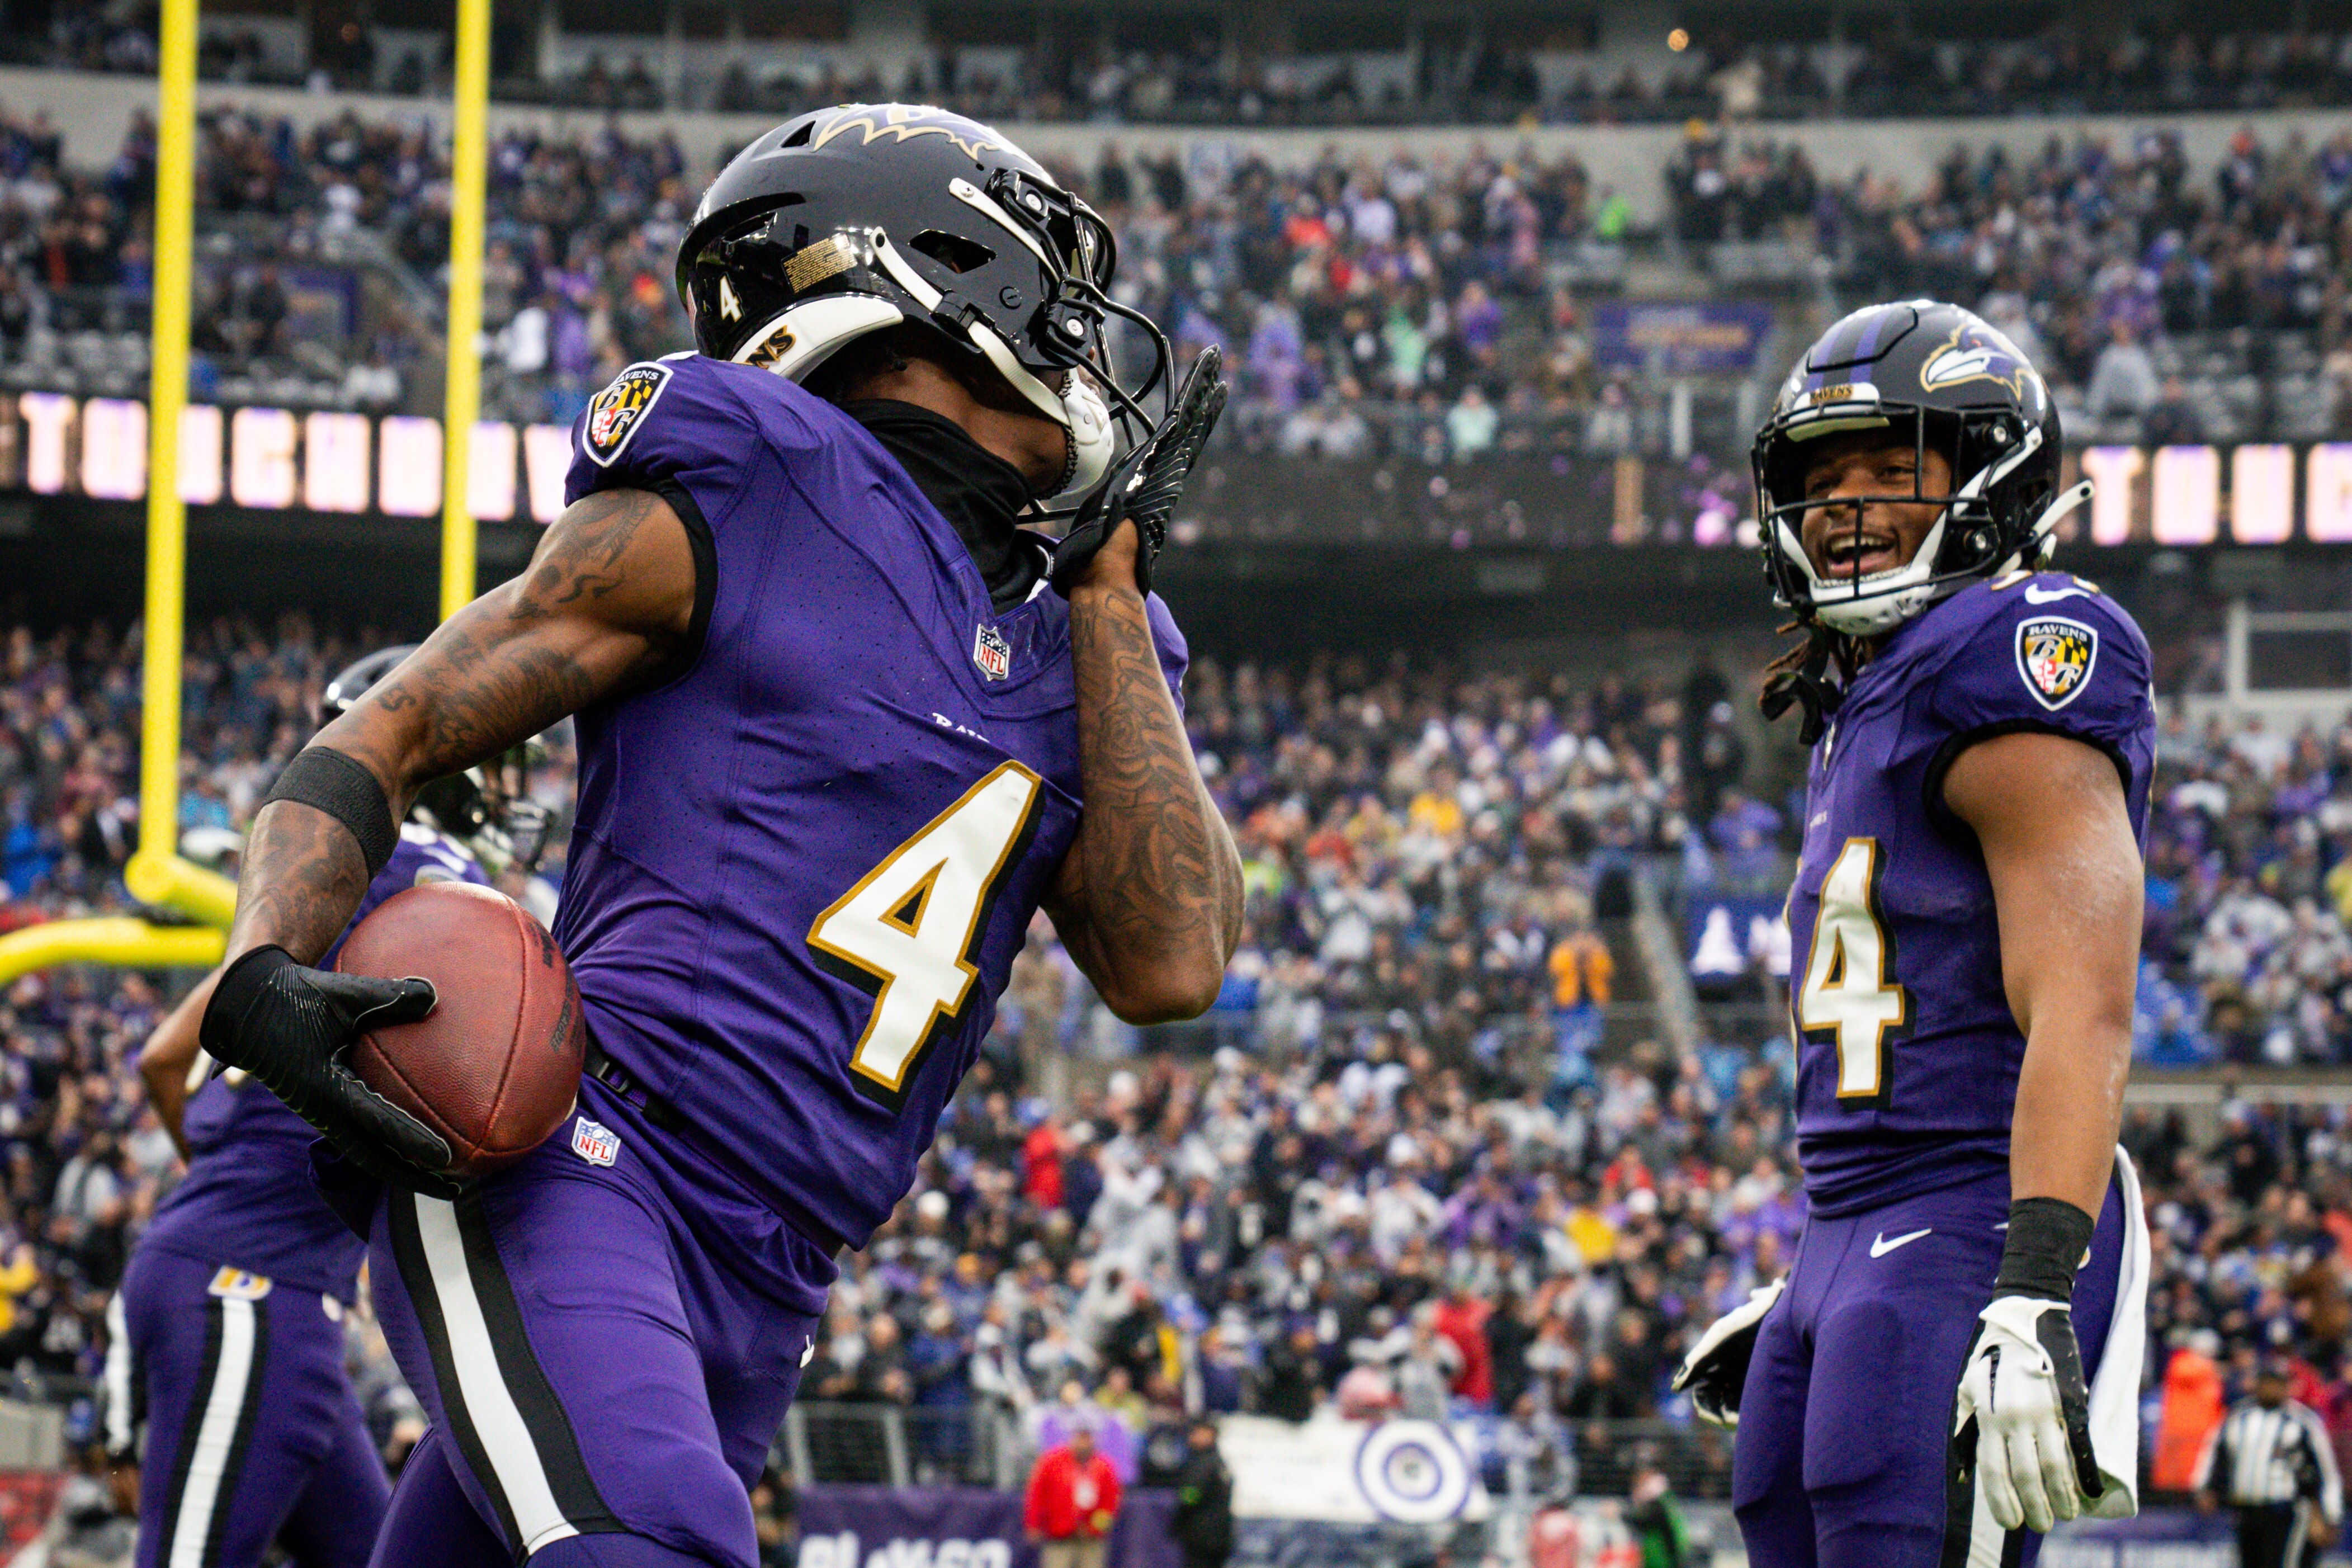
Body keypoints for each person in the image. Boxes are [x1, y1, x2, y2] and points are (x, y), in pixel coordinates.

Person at [197, 103, 1241, 1568]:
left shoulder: (1088, 643)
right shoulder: (754, 477)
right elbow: (394, 728)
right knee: (658, 1543)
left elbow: (1169, 964)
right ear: (934, 275)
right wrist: (263, 965)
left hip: (774, 1274)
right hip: (577, 1157)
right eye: (1044, 286)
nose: (1079, 340)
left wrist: (1112, 591)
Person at [1673, 301, 2155, 1566]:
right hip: (1843, 1231)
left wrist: (2032, 1276)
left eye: (1891, 468)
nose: (1843, 505)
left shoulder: (2016, 652)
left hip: (1960, 1224)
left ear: (1988, 475)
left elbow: (2082, 1000)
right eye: (1820, 477)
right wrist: (1818, 1271)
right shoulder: (1865, 699)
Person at [102, 648, 537, 1568]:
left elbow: (164, 1054)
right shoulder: (441, 877)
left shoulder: (323, 881)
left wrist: (237, 1182)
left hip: (248, 1279)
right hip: (253, 1290)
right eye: (494, 768)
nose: (508, 794)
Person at [2195, 1358, 2343, 1568]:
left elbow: (2326, 1471)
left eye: (2277, 1383)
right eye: (2267, 1382)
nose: (2271, 1388)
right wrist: (2206, 1488)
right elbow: (2215, 1453)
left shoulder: (2303, 1422)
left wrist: (2331, 1514)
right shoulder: (2238, 1417)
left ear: (2288, 1386)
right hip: (2245, 1509)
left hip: (2286, 1511)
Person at [1024, 1417, 1122, 1568]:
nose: (1084, 1442)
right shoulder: (1052, 1462)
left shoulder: (1105, 1467)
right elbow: (1036, 1495)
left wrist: (1093, 1528)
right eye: (1080, 1437)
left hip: (1091, 1540)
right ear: (1072, 1437)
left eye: (1088, 1437)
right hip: (1059, 1534)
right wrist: (1034, 1524)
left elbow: (1110, 1504)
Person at [1169, 1416, 1234, 1568]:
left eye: (1196, 1433)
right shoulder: (1219, 1462)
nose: (1191, 1437)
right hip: (1220, 1535)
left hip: (1201, 1536)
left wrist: (1178, 1521)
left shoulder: (1202, 1465)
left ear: (1209, 1434)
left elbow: (1191, 1497)